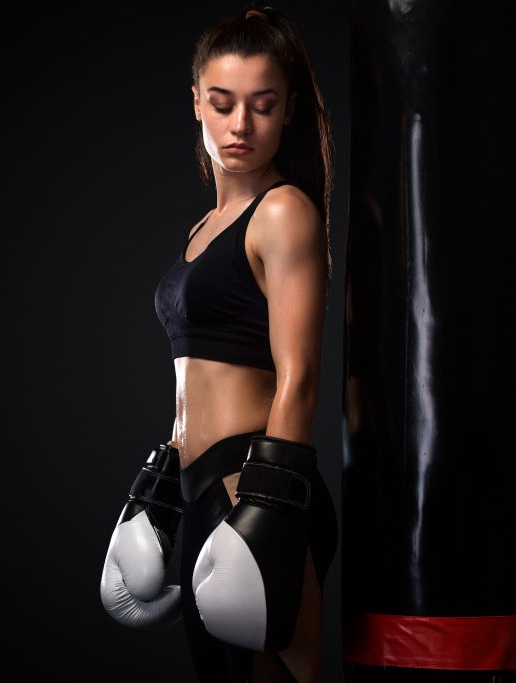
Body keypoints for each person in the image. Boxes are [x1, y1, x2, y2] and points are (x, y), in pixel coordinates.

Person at [100, 5, 338, 682]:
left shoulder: (284, 211)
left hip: (254, 485)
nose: (241, 126)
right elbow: (194, 381)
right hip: (202, 487)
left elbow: (299, 378)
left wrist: (269, 511)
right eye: (224, 103)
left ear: (287, 109)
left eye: (263, 105)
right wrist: (160, 490)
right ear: (197, 102)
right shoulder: (204, 228)